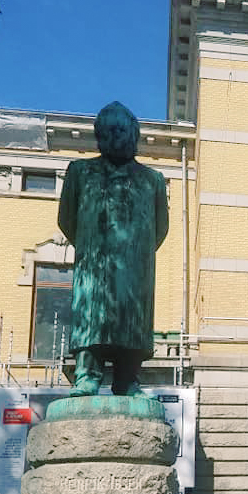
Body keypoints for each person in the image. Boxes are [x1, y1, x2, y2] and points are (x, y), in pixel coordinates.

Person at [57, 100, 169, 397]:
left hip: (135, 267)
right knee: (91, 320)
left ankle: (128, 378)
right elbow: (67, 219)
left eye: (124, 131)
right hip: (94, 264)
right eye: (111, 131)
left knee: (132, 322)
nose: (118, 137)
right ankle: (87, 374)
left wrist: (135, 251)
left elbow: (161, 227)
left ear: (135, 136)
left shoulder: (152, 180)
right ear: (100, 136)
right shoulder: (80, 172)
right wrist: (93, 244)